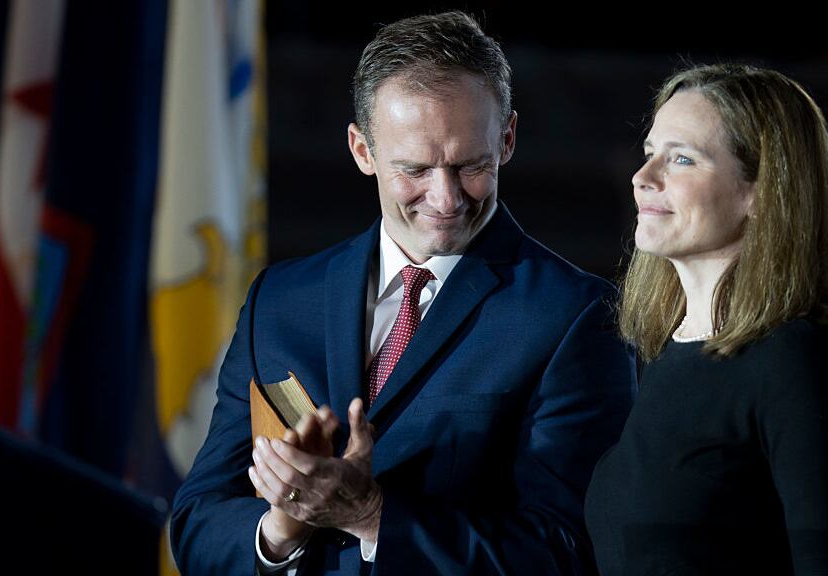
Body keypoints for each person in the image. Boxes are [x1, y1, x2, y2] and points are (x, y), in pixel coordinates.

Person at [170, 11, 636, 576]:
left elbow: (568, 552)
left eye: (471, 165)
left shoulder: (576, 315)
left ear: (507, 138)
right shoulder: (280, 299)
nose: (445, 199)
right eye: (414, 169)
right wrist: (283, 528)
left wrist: (372, 516)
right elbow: (196, 523)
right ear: (362, 151)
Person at [584, 63, 828, 575]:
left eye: (681, 159)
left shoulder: (794, 362)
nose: (642, 178)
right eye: (650, 154)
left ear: (761, 192)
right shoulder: (663, 357)